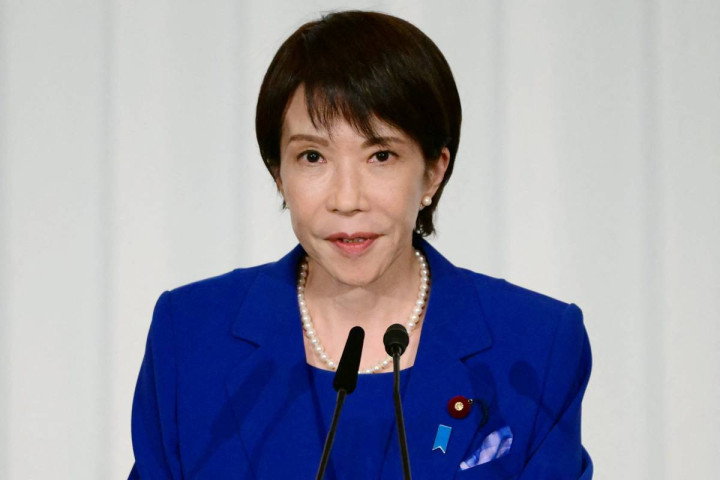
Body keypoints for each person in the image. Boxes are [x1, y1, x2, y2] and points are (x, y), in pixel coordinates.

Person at [129, 10, 592, 479]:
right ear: (279, 174)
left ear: (433, 171)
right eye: (313, 156)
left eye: (381, 155)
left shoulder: (538, 343)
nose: (347, 199)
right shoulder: (190, 336)